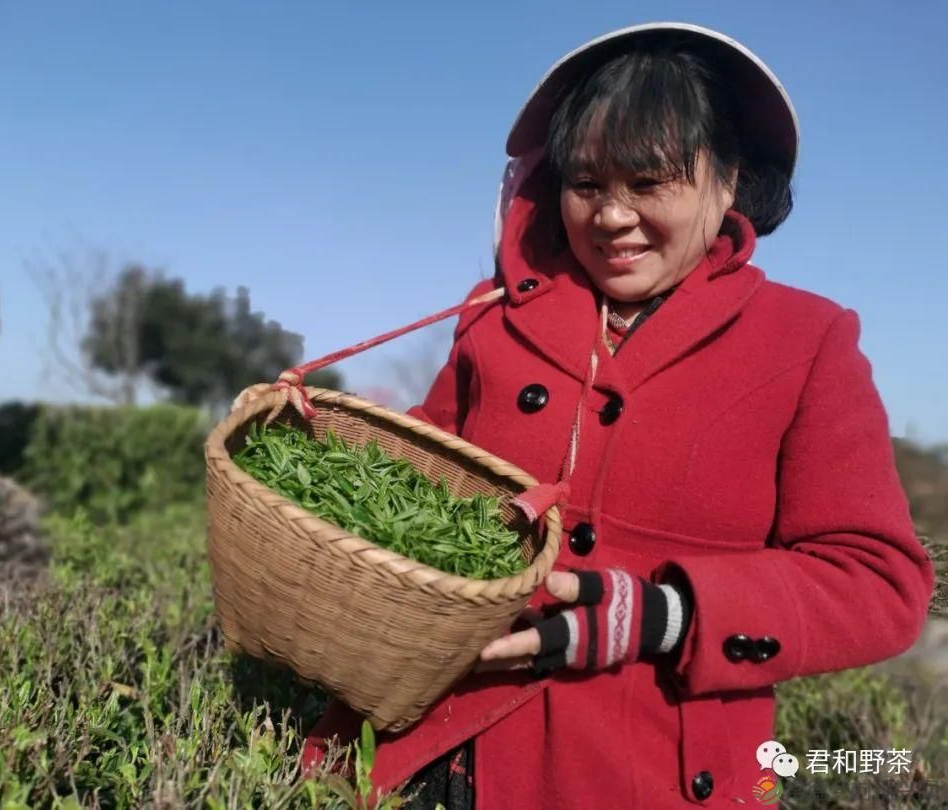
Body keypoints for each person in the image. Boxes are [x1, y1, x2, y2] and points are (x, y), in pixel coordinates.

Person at [303, 23, 934, 808]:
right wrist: (324, 441)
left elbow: (877, 584)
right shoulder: (496, 319)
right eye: (588, 183)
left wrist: (665, 614)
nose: (610, 216)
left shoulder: (806, 342)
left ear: (728, 181)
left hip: (651, 772)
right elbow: (421, 491)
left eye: (649, 182)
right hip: (441, 750)